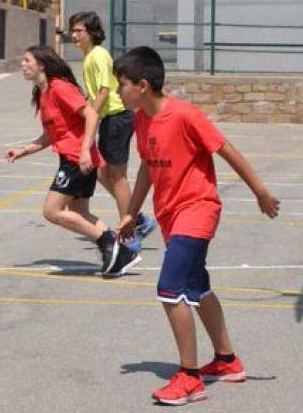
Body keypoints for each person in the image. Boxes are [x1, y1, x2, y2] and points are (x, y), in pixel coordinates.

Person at [111, 46, 280, 406]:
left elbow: (226, 149)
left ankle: (189, 379)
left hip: (197, 210)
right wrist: (132, 212)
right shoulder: (141, 119)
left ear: (142, 85)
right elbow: (146, 167)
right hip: (170, 213)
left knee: (170, 289)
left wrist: (260, 192)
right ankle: (227, 361)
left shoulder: (184, 115)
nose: (117, 91)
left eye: (121, 84)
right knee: (197, 287)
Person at [4, 46, 129, 274]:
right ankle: (124, 252)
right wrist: (23, 151)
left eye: (27, 60)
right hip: (72, 157)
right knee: (79, 212)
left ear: (41, 65)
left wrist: (84, 149)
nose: (22, 65)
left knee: (51, 211)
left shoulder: (60, 87)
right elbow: (51, 135)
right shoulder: (43, 93)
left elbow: (91, 113)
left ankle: (108, 240)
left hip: (77, 158)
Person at [69, 11, 155, 251]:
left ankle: (130, 231)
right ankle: (137, 219)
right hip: (110, 118)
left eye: (79, 31)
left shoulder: (98, 55)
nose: (74, 35)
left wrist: (90, 118)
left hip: (117, 117)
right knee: (102, 173)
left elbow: (104, 92)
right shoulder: (89, 58)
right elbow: (94, 94)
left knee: (117, 177)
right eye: (72, 31)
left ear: (93, 33)